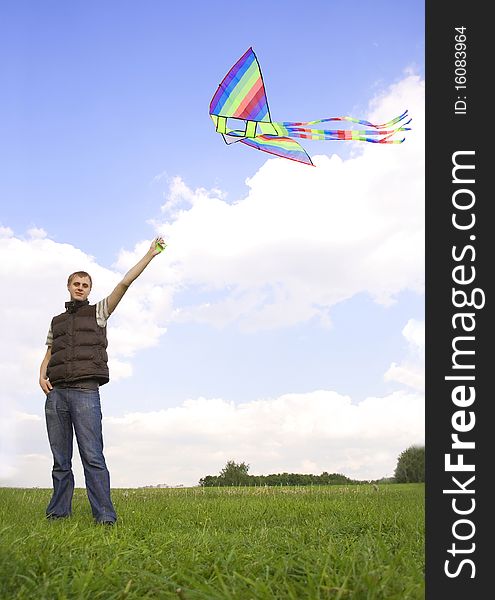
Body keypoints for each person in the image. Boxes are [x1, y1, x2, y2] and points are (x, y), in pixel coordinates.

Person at [39, 236, 165, 524]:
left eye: (85, 285)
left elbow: (124, 284)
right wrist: (41, 372)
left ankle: (105, 516)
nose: (80, 288)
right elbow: (50, 349)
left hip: (85, 392)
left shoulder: (99, 312)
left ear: (90, 290)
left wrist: (150, 254)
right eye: (76, 284)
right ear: (69, 287)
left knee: (93, 457)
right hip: (56, 394)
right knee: (60, 461)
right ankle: (58, 514)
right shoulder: (56, 320)